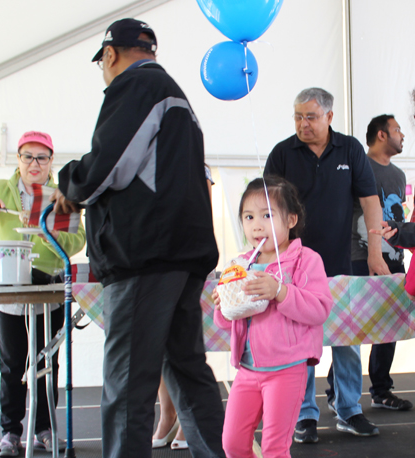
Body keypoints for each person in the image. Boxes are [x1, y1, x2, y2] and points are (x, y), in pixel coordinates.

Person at [51, 18, 226, 458]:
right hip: (183, 255)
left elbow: (108, 167)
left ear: (110, 55)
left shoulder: (135, 88)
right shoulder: (179, 99)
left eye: (103, 64)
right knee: (187, 370)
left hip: (145, 256)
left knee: (129, 383)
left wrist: (69, 184)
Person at [264, 87, 389, 443]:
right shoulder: (282, 153)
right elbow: (268, 207)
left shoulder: (350, 149)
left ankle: (349, 409)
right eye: (298, 117)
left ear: (329, 117)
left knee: (348, 339)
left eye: (311, 117)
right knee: (299, 342)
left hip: (342, 261)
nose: (303, 124)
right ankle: (304, 415)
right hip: (294, 267)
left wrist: (375, 251)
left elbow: (369, 201)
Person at [0, 131, 86, 457]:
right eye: (28, 156)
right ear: (18, 159)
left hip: (51, 291)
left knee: (48, 363)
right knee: (12, 366)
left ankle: (44, 429)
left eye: (41, 157)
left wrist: (48, 234)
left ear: (51, 160)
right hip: (10, 292)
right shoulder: (0, 190)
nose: (34, 163)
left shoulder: (60, 195)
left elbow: (78, 241)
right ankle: (10, 433)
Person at [212, 176, 333, 458]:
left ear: (291, 220)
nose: (256, 224)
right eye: (249, 216)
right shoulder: (240, 265)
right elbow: (226, 323)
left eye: (267, 215)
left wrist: (279, 291)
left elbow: (319, 309)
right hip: (247, 371)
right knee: (232, 444)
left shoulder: (306, 260)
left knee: (274, 449)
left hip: (287, 370)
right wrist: (223, 305)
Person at [327, 115, 412, 411]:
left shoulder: (400, 175)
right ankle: (336, 390)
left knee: (390, 324)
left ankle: (381, 389)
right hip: (359, 257)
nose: (403, 135)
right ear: (381, 135)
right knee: (351, 327)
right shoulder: (359, 165)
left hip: (394, 259)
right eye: (397, 129)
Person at [152, 164, 215, 451]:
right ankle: (168, 415)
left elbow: (204, 215)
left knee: (185, 352)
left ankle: (186, 424)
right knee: (160, 349)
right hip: (153, 261)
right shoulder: (147, 155)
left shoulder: (197, 166)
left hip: (186, 261)